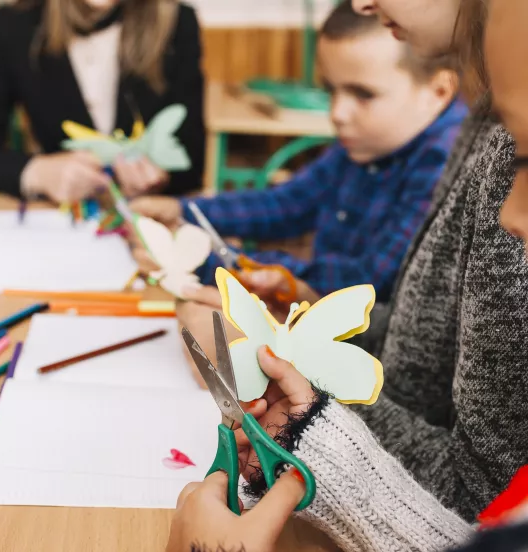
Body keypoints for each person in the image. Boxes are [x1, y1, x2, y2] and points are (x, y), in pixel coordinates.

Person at [168, 0, 528, 550]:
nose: (359, 2)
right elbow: (426, 339)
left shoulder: (502, 152)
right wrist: (296, 322)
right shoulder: (487, 120)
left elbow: (478, 497)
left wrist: (300, 398)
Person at [130, 2, 465, 303]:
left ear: (438, 91)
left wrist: (203, 257)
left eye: (363, 94)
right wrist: (181, 209)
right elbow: (286, 203)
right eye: (330, 90)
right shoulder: (366, 144)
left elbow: (368, 282)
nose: (337, 113)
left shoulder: (444, 163)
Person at [0, 0, 205, 203]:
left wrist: (161, 176)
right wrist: (37, 173)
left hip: (147, 225)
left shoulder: (177, 23)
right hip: (58, 222)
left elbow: (192, 161)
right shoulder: (15, 25)